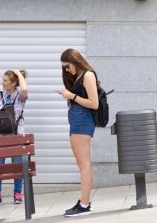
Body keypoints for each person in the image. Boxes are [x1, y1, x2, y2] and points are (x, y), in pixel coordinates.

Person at [58, 49, 99, 217]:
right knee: (82, 164)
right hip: (78, 120)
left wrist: (71, 96)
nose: (67, 70)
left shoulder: (88, 75)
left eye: (67, 66)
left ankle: (84, 205)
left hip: (83, 121)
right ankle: (84, 202)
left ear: (75, 61)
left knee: (84, 165)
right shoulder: (80, 76)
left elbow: (94, 103)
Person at [0, 69, 28, 207]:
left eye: (5, 80)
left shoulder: (19, 96)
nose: (2, 82)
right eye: (3, 80)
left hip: (16, 135)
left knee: (17, 165)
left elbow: (24, 89)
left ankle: (17, 193)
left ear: (13, 83)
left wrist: (18, 74)